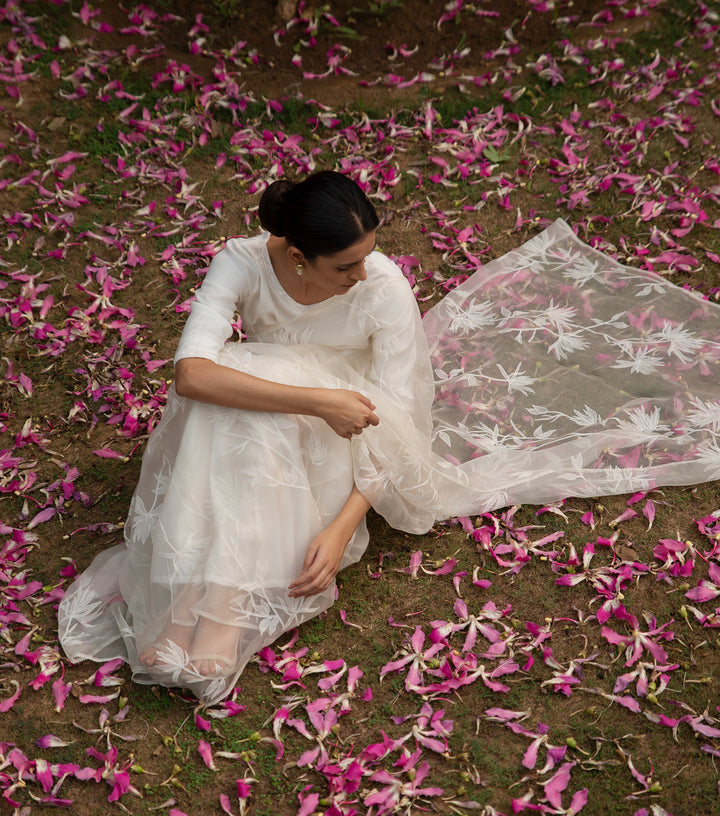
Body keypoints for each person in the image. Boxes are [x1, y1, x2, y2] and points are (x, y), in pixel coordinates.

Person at [58, 171, 720, 705]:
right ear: (295, 254)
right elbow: (191, 373)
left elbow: (397, 420)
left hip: (355, 431)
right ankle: (190, 609)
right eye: (346, 265)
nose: (363, 274)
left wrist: (343, 525)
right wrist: (316, 400)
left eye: (367, 256)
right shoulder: (243, 262)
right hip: (294, 410)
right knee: (233, 384)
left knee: (242, 394)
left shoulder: (384, 288)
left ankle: (218, 606)